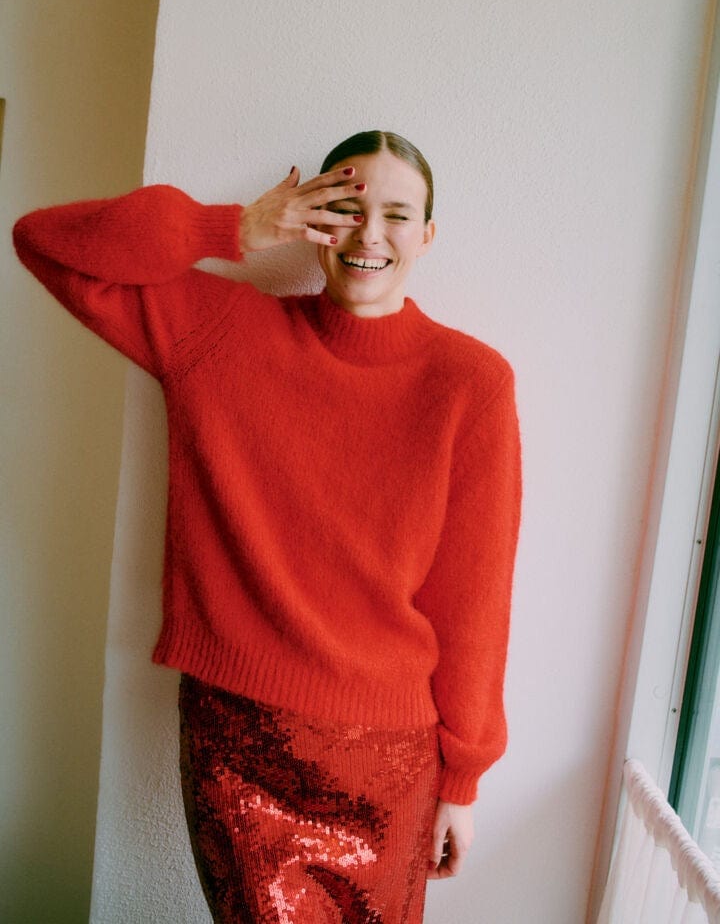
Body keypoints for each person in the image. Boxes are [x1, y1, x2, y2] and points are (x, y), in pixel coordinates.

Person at [13, 130, 522, 923]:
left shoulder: (471, 383)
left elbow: (476, 600)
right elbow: (44, 239)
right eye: (347, 207)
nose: (369, 234)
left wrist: (462, 779)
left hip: (386, 764)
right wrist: (233, 230)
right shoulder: (218, 331)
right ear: (313, 216)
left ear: (427, 236)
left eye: (397, 214)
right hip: (238, 742)